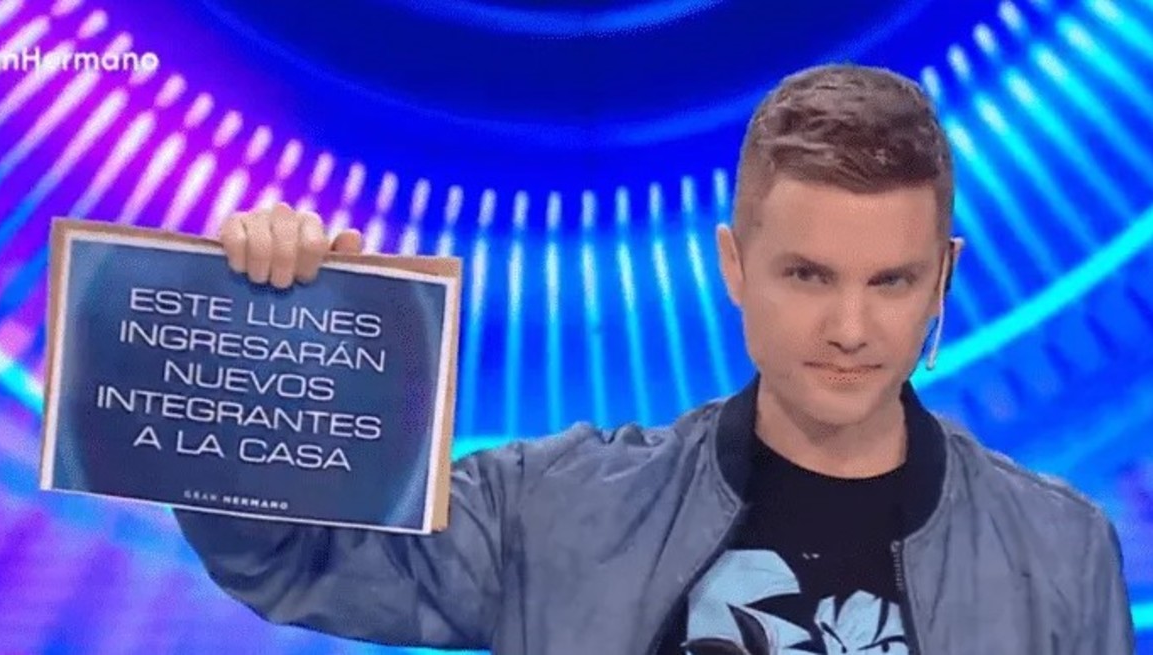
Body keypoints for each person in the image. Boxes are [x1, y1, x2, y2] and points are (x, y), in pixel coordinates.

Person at [173, 64, 1134, 654]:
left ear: (943, 277)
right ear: (735, 265)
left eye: (890, 280)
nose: (851, 327)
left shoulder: (1057, 551)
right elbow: (288, 559)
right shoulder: (554, 512)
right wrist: (256, 334)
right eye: (807, 274)